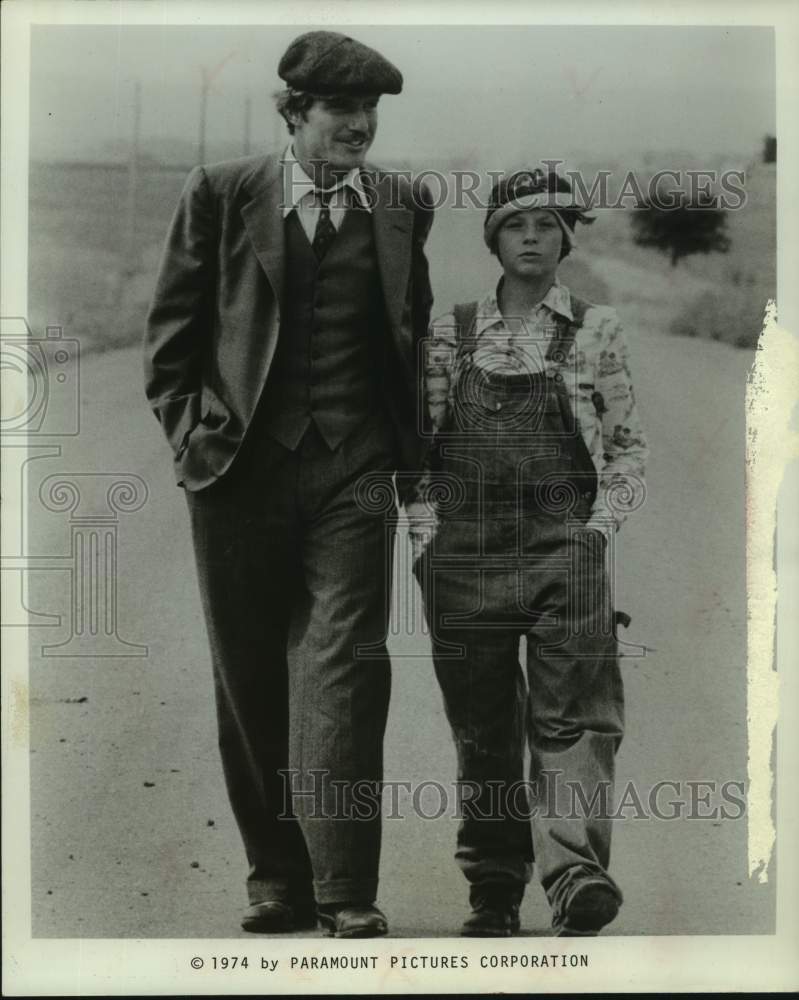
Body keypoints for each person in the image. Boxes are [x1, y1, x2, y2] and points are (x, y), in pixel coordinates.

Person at [144, 30, 434, 938]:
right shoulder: (223, 192)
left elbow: (410, 332)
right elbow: (172, 337)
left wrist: (412, 466)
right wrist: (192, 434)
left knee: (343, 668)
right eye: (341, 110)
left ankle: (345, 887)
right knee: (251, 672)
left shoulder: (401, 204)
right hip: (238, 473)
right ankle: (276, 878)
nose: (360, 126)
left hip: (354, 468)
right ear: (295, 113)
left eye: (371, 111)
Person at [408, 168, 648, 937]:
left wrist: (598, 532)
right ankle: (493, 888)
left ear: (565, 239)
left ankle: (574, 874)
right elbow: (418, 453)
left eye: (547, 226)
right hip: (464, 555)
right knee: (481, 728)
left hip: (563, 551)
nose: (533, 239)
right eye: (517, 226)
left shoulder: (595, 327)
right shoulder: (451, 330)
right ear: (493, 239)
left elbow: (625, 449)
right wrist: (425, 539)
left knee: (571, 721)